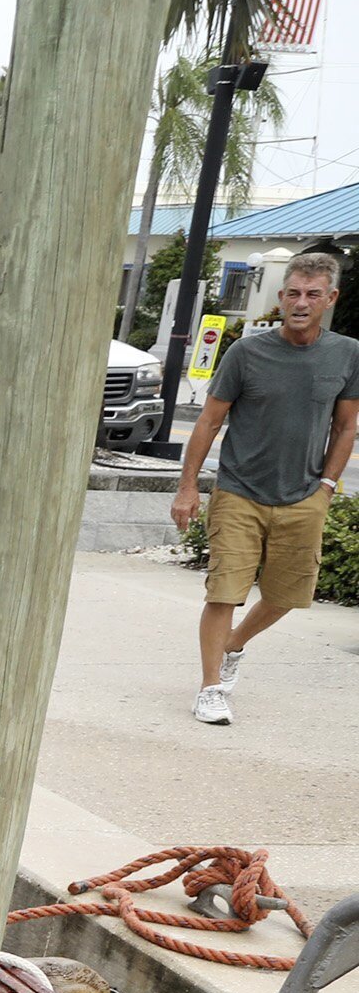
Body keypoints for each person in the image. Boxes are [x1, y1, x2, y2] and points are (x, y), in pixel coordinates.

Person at [169, 250, 359, 727]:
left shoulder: (347, 353)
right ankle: (211, 687)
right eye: (293, 293)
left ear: (330, 298)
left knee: (286, 595)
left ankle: (233, 646)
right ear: (281, 297)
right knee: (224, 593)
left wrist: (327, 487)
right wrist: (188, 488)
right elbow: (210, 421)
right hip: (239, 491)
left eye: (312, 294)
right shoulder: (246, 353)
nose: (301, 302)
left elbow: (347, 426)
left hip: (304, 496)